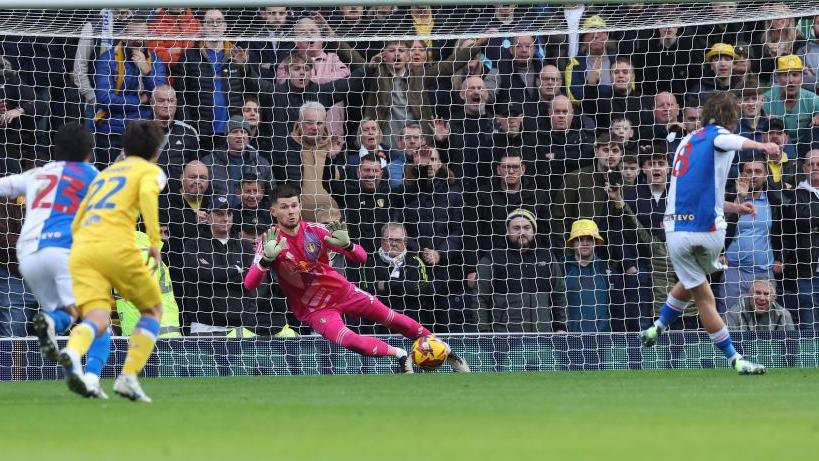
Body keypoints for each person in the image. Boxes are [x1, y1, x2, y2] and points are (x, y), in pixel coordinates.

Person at [243, 184, 470, 373]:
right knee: (348, 340)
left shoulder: (316, 231)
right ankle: (401, 356)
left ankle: (447, 352)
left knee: (391, 317)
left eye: (294, 205)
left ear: (300, 206)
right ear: (273, 211)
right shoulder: (268, 241)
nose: (291, 211)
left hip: (342, 291)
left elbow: (361, 257)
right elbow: (249, 284)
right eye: (284, 207)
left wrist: (348, 245)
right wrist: (265, 260)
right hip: (313, 308)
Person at [639, 91, 779, 375]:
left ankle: (658, 326)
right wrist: (765, 147)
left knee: (694, 282)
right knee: (705, 298)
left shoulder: (685, 143)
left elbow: (699, 191)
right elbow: (729, 141)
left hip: (675, 231)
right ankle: (736, 359)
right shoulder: (718, 135)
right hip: (707, 230)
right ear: (731, 117)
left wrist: (735, 207)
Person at [0, 123, 110, 398]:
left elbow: (6, 186)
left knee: (66, 314)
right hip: (64, 251)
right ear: (89, 153)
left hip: (27, 256)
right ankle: (93, 378)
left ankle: (63, 351)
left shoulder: (40, 173)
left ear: (57, 152)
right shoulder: (95, 177)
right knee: (99, 319)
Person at [60, 120, 167, 402]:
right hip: (116, 246)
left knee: (97, 317)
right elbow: (146, 195)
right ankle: (128, 376)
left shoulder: (105, 174)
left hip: (82, 249)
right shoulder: (151, 171)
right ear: (156, 151)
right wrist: (154, 242)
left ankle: (72, 351)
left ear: (124, 148)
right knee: (153, 309)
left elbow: (80, 215)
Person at [477, 209, 567, 333]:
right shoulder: (492, 258)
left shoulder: (547, 257)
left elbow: (559, 294)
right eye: (516, 228)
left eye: (526, 227)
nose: (522, 232)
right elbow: (480, 299)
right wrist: (484, 333)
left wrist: (561, 326)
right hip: (504, 339)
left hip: (543, 337)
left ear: (534, 231)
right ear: (508, 231)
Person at [725, 279, 795, 331]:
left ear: (774, 297)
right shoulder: (733, 313)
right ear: (750, 294)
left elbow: (791, 346)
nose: (762, 298)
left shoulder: (784, 315)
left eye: (766, 294)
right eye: (758, 293)